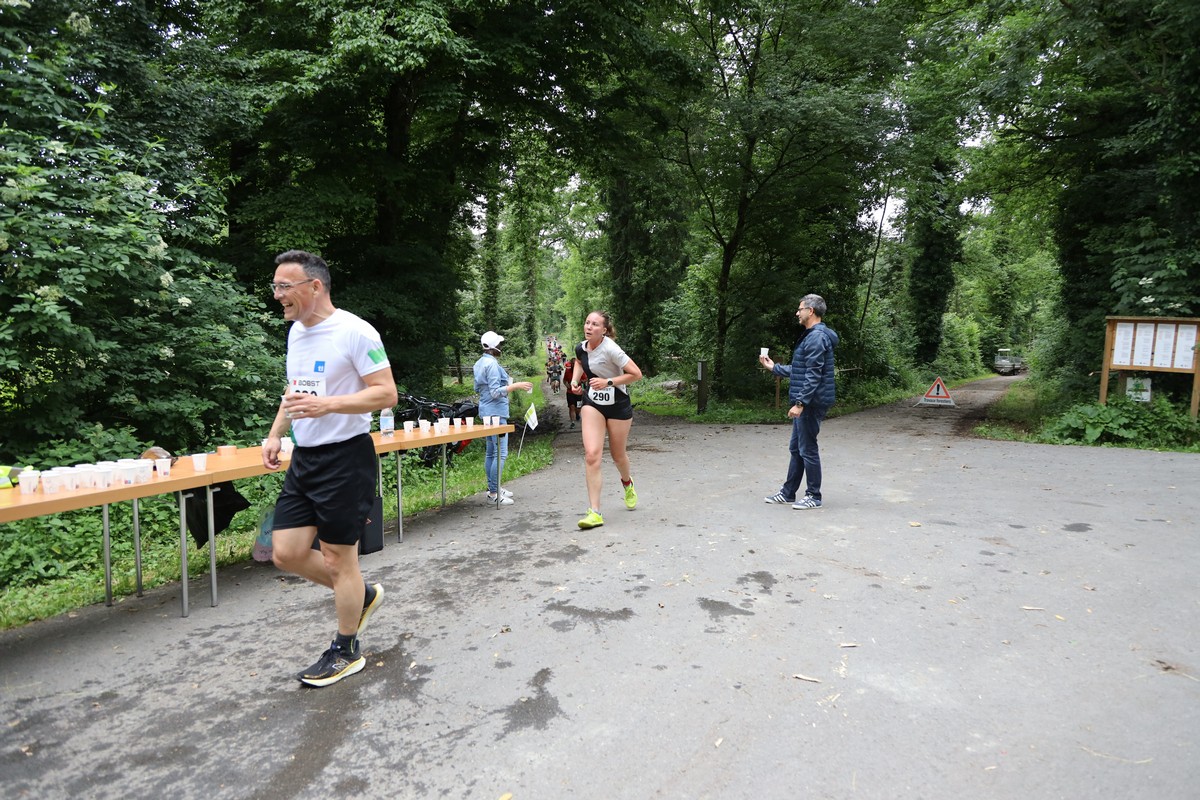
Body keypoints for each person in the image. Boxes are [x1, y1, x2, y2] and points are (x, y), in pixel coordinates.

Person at [262, 249, 398, 687]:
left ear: (314, 286)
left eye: (285, 286)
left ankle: (346, 649)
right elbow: (294, 391)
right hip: (305, 458)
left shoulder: (355, 332)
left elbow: (386, 393)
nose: (277, 295)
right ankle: (362, 594)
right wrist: (276, 433)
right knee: (286, 553)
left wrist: (329, 405)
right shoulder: (296, 334)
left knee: (341, 559)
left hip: (346, 457)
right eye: (275, 286)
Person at [758, 294, 838, 509]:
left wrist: (800, 403)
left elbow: (813, 374)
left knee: (808, 449)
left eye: (800, 309)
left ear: (810, 311)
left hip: (811, 403)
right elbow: (801, 369)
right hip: (809, 401)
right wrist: (774, 367)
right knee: (797, 448)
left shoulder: (816, 337)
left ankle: (814, 496)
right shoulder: (812, 335)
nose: (797, 313)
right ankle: (788, 493)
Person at [571, 311, 643, 529]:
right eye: (587, 323)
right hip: (593, 403)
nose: (589, 327)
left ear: (604, 330)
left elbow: (636, 374)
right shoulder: (581, 348)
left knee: (618, 455)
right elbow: (579, 361)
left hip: (618, 404)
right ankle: (595, 512)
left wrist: (608, 382)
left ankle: (627, 482)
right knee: (592, 455)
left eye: (595, 324)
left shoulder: (611, 348)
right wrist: (575, 380)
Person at [473, 330, 534, 505]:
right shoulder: (492, 365)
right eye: (499, 344)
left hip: (486, 411)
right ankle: (493, 493)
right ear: (494, 347)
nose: (501, 346)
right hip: (496, 413)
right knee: (501, 453)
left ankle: (494, 487)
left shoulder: (479, 363)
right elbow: (494, 392)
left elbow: (477, 389)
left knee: (491, 452)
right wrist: (515, 386)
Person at [562, 357, 583, 428]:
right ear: (571, 364)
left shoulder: (580, 371)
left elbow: (585, 379)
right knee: (571, 407)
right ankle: (572, 422)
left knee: (578, 408)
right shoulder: (568, 371)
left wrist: (580, 381)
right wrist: (567, 385)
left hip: (579, 392)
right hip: (570, 392)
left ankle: (577, 414)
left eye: (575, 364)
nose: (574, 365)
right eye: (573, 364)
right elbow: (564, 380)